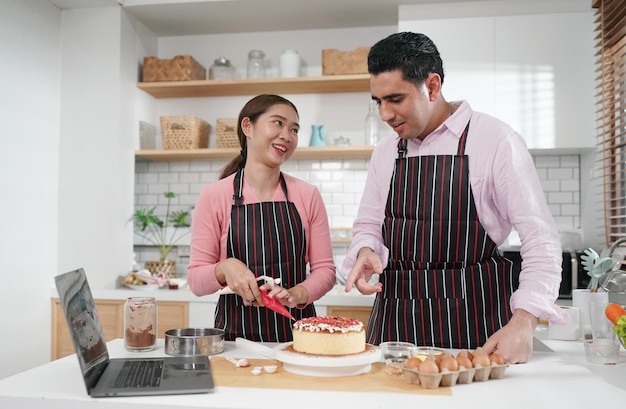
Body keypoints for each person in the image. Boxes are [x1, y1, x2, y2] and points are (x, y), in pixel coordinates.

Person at [342, 32, 568, 363]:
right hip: (394, 331)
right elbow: (369, 224)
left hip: (475, 332)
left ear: (432, 87)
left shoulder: (496, 141)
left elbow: (541, 240)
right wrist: (365, 249)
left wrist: (524, 322)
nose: (385, 115)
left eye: (395, 99)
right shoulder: (385, 152)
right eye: (378, 101)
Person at [188, 94, 336, 342]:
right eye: (278, 123)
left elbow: (326, 271)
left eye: (294, 129)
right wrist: (224, 268)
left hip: (298, 338)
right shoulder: (214, 196)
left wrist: (298, 294)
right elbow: (196, 281)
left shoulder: (307, 195)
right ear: (248, 127)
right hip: (235, 341)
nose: (287, 136)